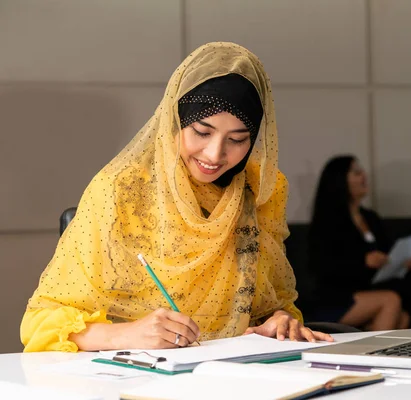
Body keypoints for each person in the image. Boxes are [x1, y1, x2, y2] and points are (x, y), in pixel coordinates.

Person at [20, 42, 333, 352]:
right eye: (201, 132)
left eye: (238, 139)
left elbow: (270, 300)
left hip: (239, 374)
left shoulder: (262, 189)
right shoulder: (123, 188)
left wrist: (279, 320)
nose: (215, 154)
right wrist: (127, 335)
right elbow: (40, 321)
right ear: (175, 120)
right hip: (140, 375)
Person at [308, 155, 411, 331]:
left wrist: (402, 262)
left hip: (368, 289)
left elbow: (387, 253)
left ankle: (371, 355)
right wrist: (363, 262)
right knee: (391, 300)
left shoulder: (370, 217)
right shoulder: (328, 220)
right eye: (357, 173)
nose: (364, 176)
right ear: (340, 180)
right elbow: (322, 265)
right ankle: (378, 358)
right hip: (337, 296)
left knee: (402, 317)